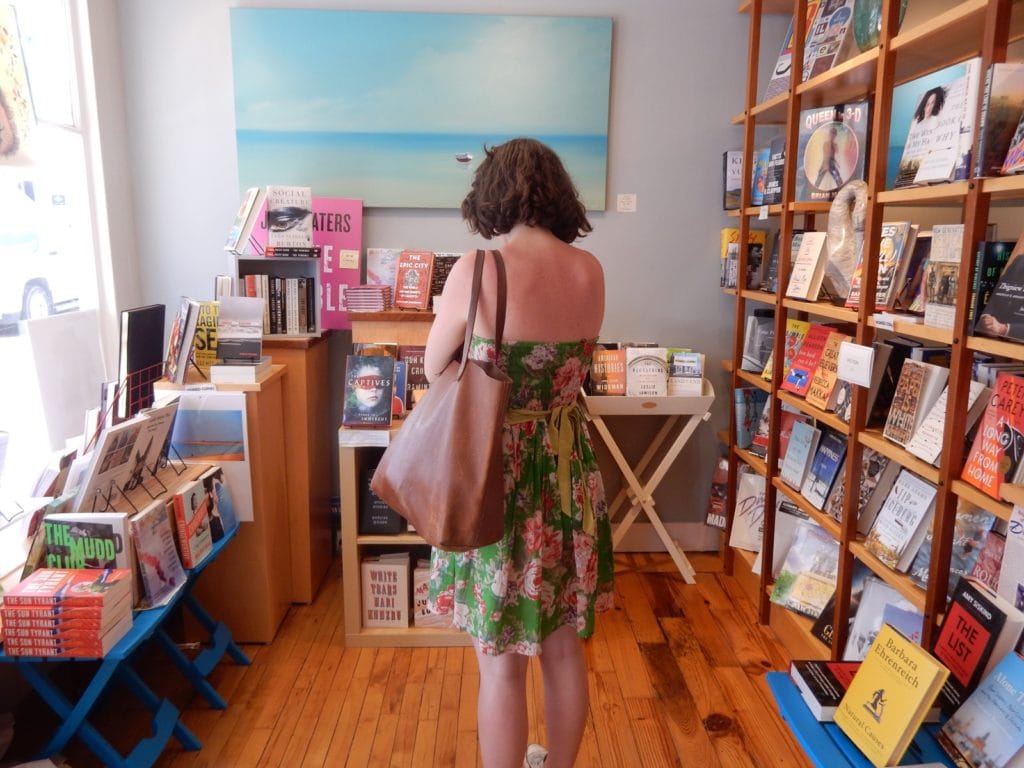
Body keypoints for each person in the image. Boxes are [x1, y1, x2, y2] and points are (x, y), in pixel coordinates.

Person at [425, 138, 613, 768]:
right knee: (563, 648)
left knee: (499, 663)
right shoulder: (590, 271)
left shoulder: (478, 270)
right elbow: (576, 372)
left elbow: (434, 370)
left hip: (496, 478)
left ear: (491, 195)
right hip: (567, 474)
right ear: (558, 195)